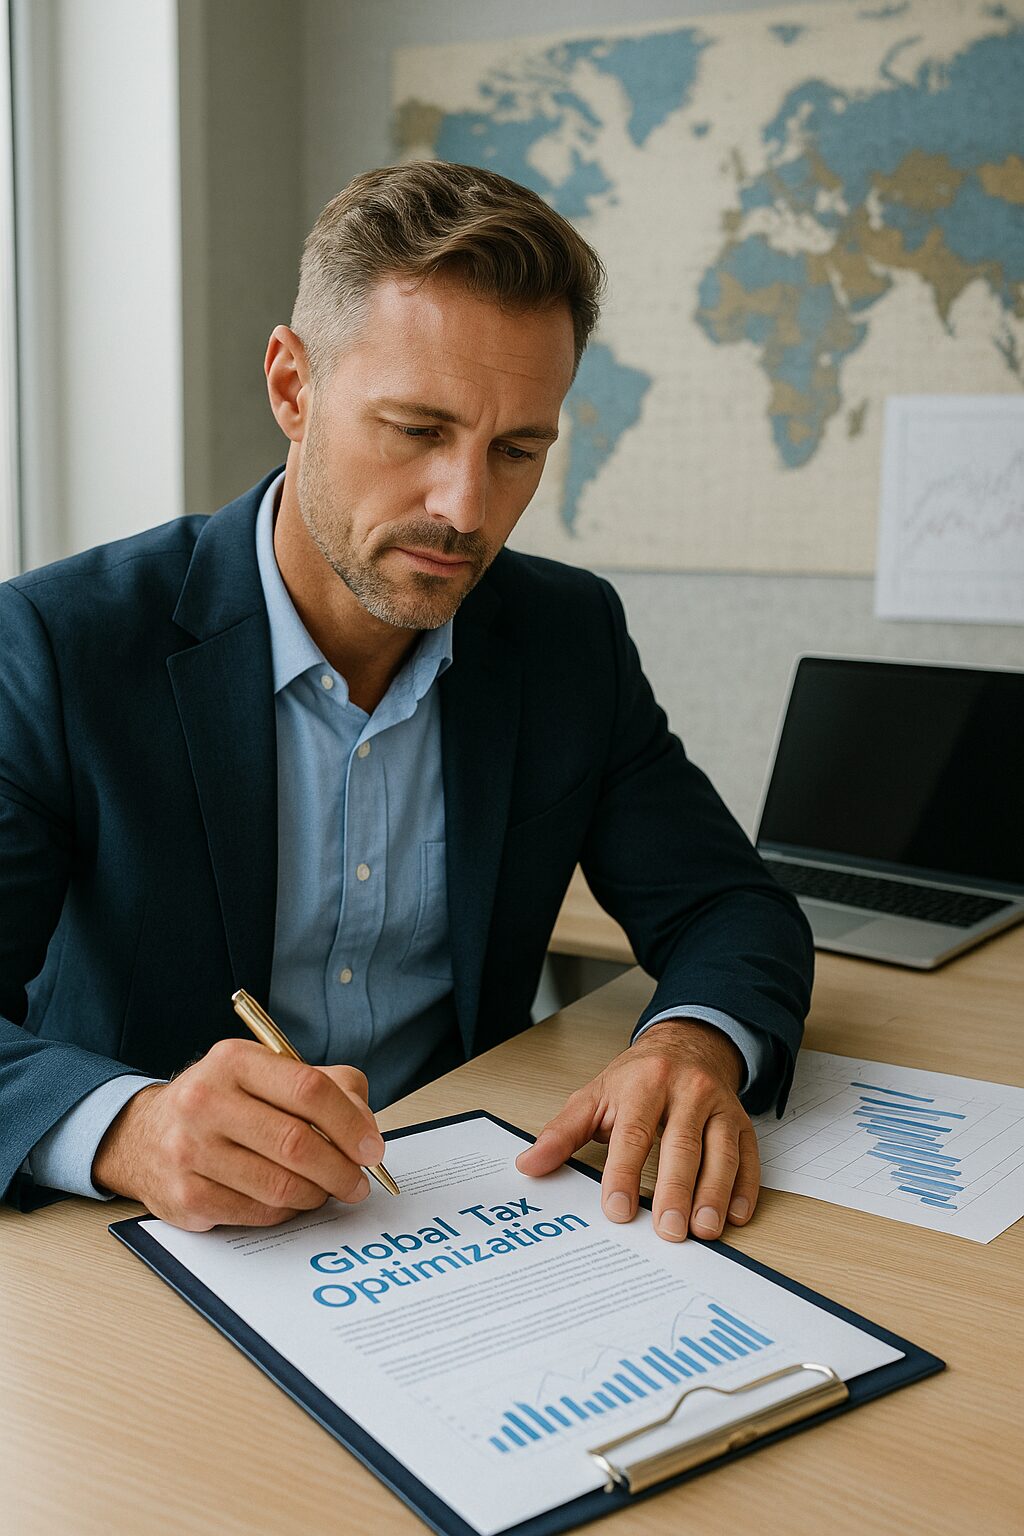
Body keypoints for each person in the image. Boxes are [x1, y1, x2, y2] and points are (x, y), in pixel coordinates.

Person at [0, 161, 813, 1239]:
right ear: (293, 387)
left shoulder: (565, 638)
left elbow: (730, 906)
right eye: (418, 429)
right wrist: (126, 1128)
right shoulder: (60, 644)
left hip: (464, 1216)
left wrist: (689, 1045)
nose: (465, 508)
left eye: (517, 450)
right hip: (149, 1251)